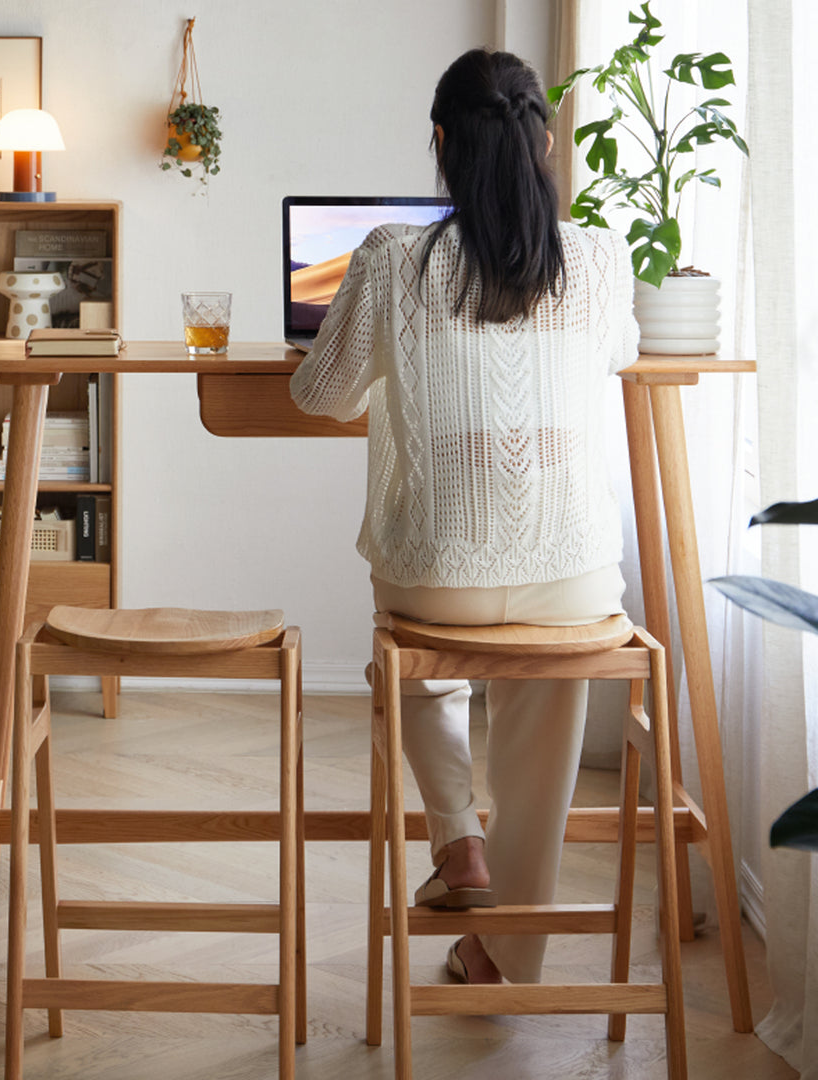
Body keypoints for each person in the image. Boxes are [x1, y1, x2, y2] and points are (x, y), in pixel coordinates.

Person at [290, 47, 638, 986]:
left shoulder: (394, 258)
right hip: (575, 579)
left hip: (436, 577)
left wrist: (402, 366)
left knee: (414, 659)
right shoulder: (603, 256)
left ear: (440, 143)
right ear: (548, 141)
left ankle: (456, 845)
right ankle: (505, 954)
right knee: (544, 693)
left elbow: (318, 395)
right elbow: (618, 351)